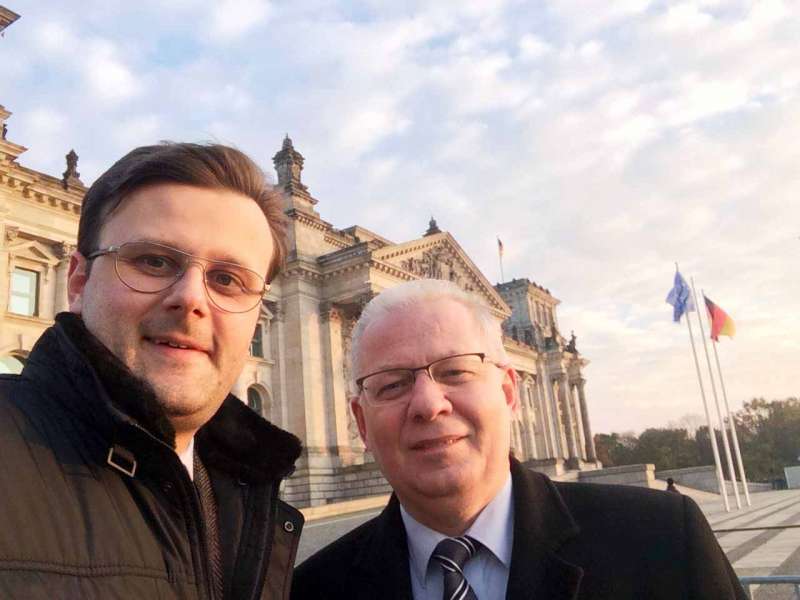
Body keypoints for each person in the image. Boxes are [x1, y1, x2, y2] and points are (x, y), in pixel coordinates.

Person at [291, 279, 746, 599]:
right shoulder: (309, 589)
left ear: (509, 392)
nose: (429, 405)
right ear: (361, 422)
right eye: (392, 383)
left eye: (456, 371)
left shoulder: (664, 541)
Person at [0, 143, 304, 599]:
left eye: (227, 280)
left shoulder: (248, 503)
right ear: (79, 282)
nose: (192, 299)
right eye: (154, 261)